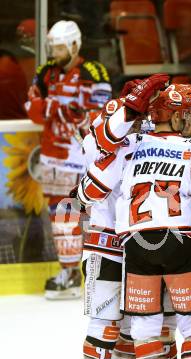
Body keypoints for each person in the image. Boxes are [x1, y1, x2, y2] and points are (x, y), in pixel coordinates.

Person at [76, 81, 191, 359]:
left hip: (135, 246)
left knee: (139, 327)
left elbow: (89, 189)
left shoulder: (137, 144)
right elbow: (88, 186)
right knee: (108, 325)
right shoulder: (113, 135)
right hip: (111, 244)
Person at [77, 77, 167, 359]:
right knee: (105, 322)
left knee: (133, 324)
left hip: (140, 243)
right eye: (145, 99)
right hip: (106, 241)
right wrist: (133, 106)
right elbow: (101, 139)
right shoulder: (115, 114)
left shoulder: (149, 131)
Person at [25, 20, 112, 299]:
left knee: (97, 215)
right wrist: (62, 108)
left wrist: (57, 108)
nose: (55, 52)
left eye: (60, 47)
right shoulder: (44, 71)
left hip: (87, 158)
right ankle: (70, 272)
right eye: (53, 46)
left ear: (75, 45)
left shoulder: (93, 71)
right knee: (61, 216)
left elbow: (98, 113)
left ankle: (101, 272)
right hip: (54, 157)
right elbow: (32, 108)